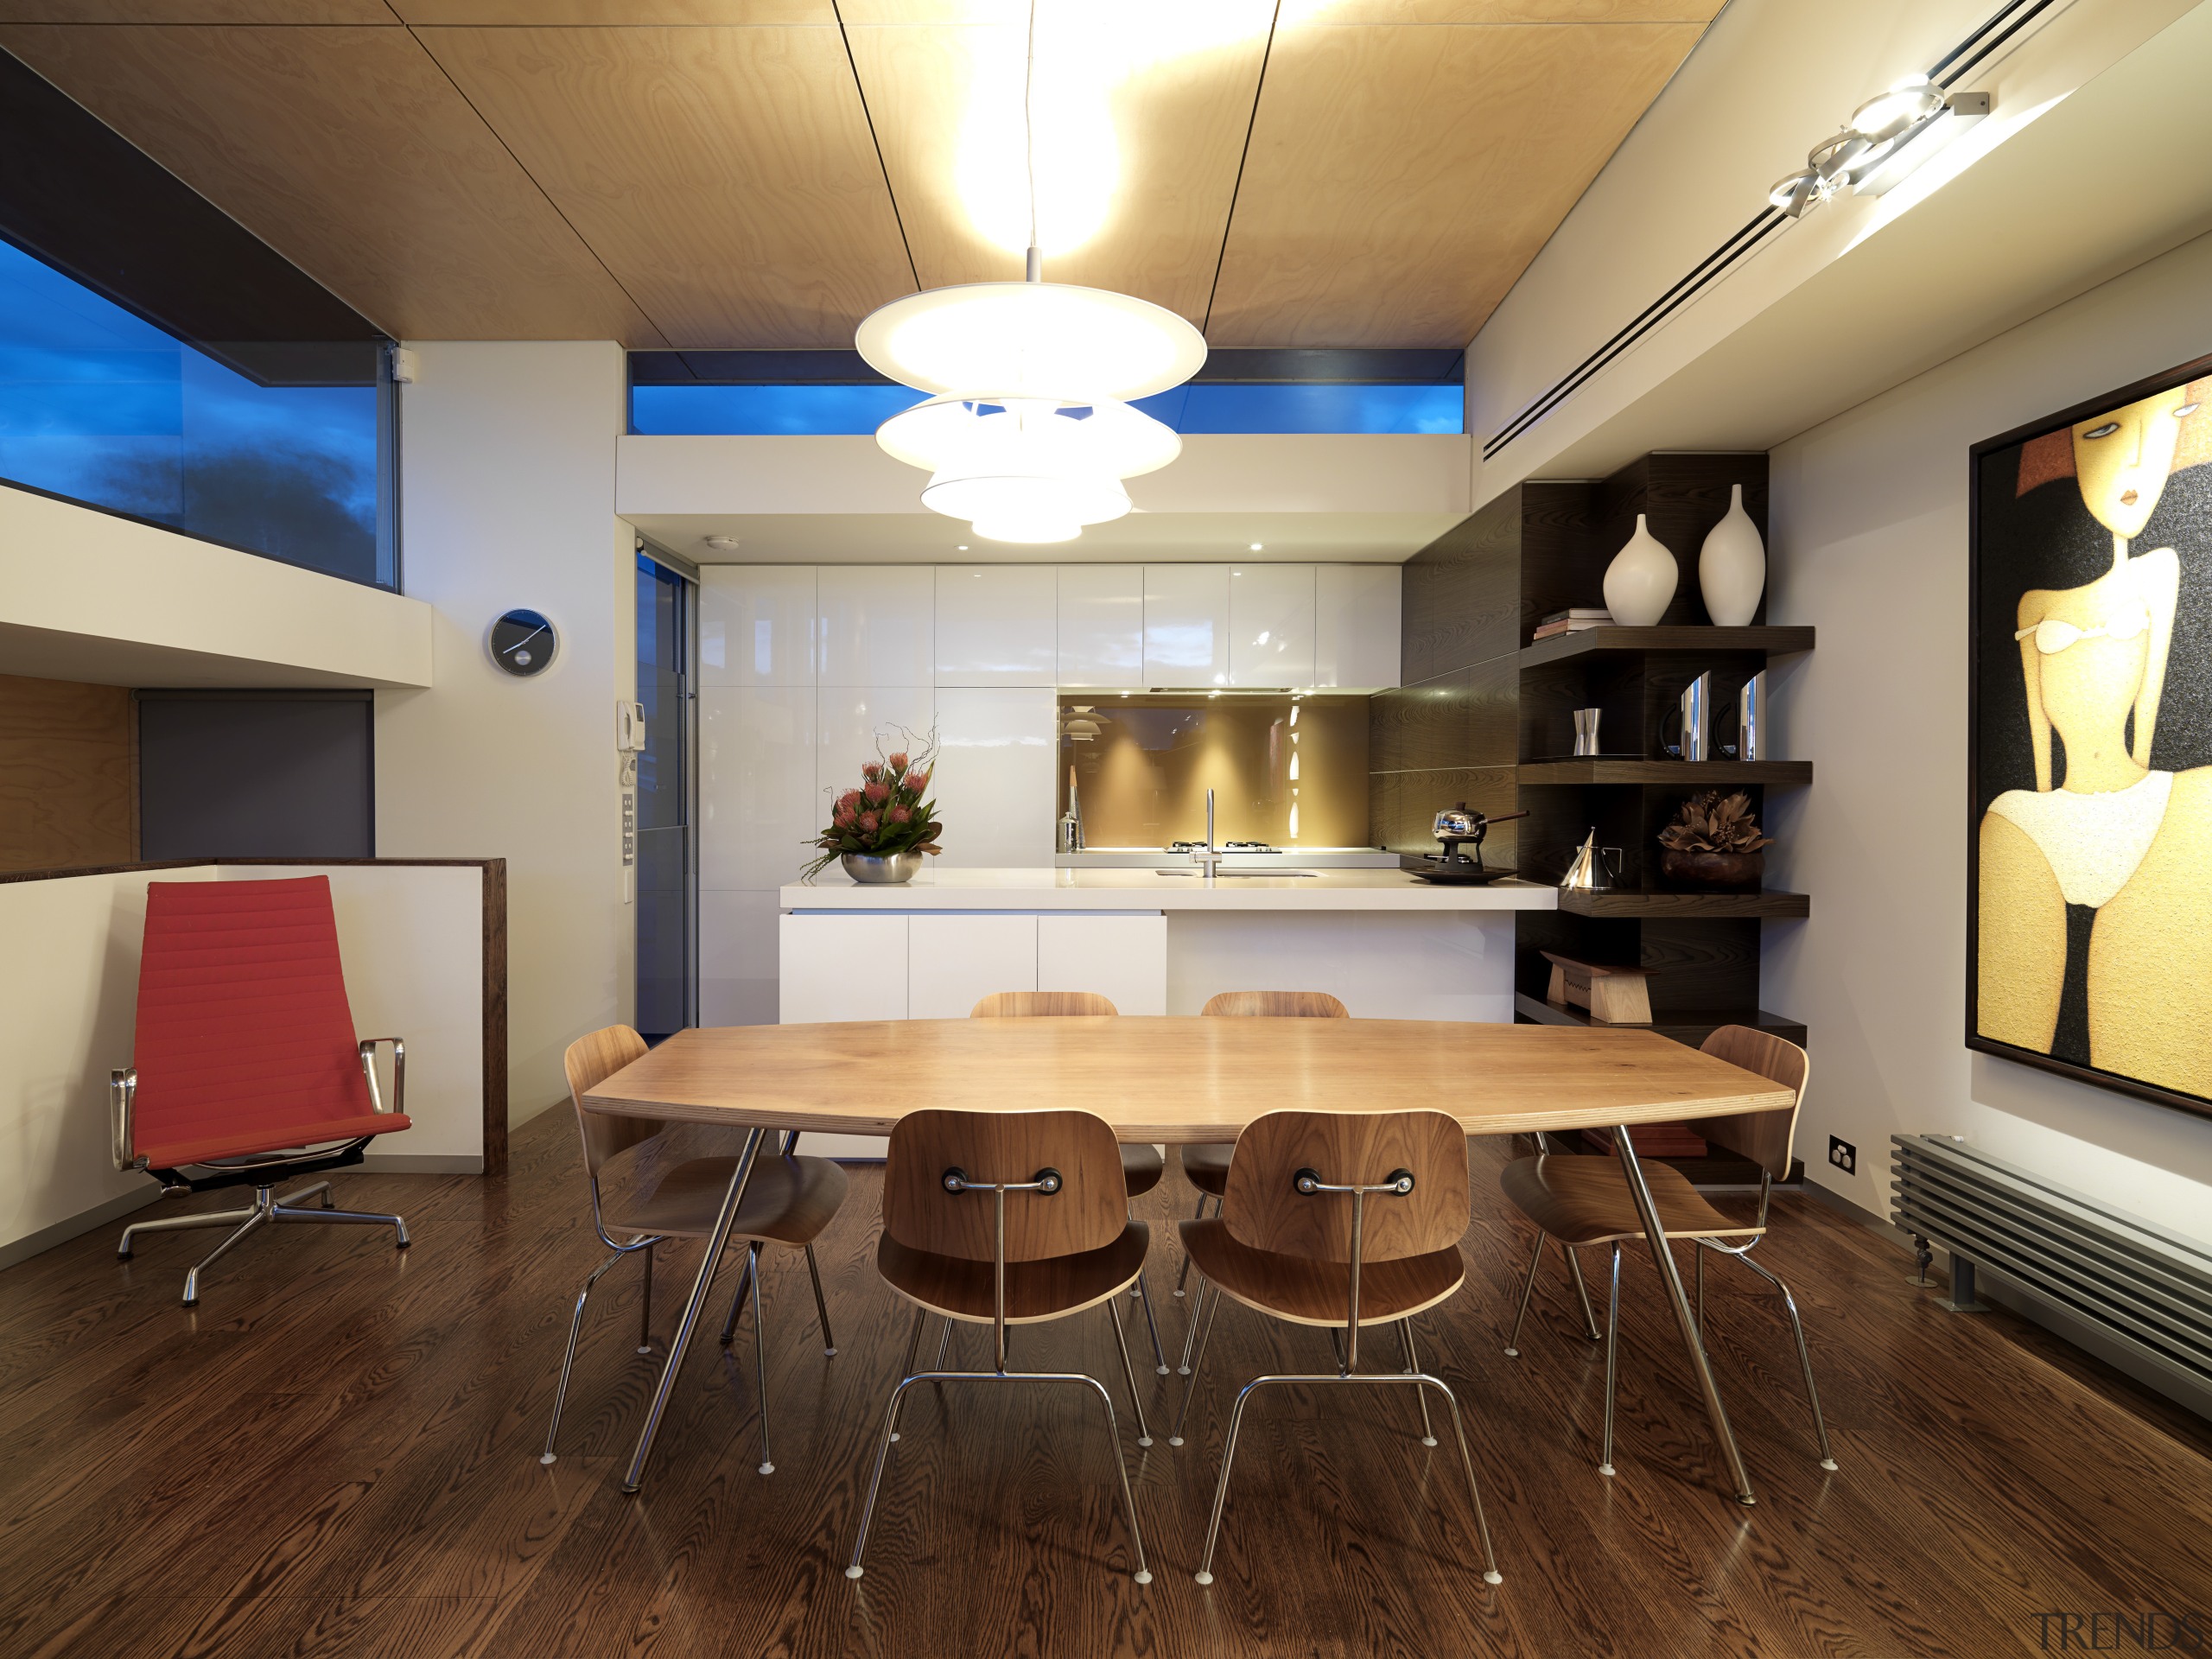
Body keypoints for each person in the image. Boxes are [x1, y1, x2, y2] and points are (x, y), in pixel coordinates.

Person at [1978, 383, 2212, 1098]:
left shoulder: (2164, 573)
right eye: (2106, 432)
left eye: (2165, 424)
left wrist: (2140, 780)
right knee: (2007, 826)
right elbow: (2028, 721)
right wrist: (2051, 795)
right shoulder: (2032, 602)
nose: (2138, 459)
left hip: (2144, 795)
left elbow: (2155, 704)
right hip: (2047, 809)